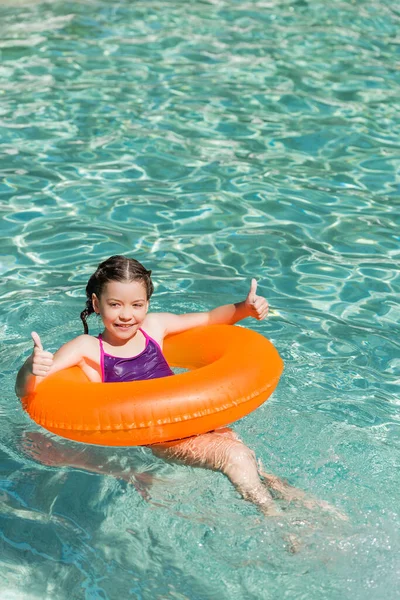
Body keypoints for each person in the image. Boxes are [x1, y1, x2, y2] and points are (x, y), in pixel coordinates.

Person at [16, 255, 312, 516]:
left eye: (137, 304)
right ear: (96, 304)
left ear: (147, 305)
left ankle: (299, 502)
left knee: (241, 455)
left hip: (200, 418)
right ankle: (274, 517)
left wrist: (244, 308)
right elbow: (30, 389)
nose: (126, 314)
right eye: (115, 304)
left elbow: (210, 319)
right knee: (233, 456)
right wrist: (32, 368)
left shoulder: (154, 327)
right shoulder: (86, 348)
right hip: (164, 437)